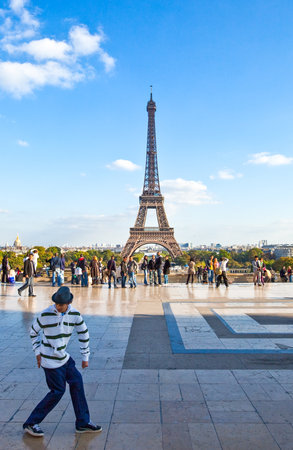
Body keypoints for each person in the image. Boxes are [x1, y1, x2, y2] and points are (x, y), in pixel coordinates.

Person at [22, 286, 102, 437]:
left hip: (63, 358)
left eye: (61, 304)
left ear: (68, 303)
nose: (58, 306)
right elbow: (33, 332)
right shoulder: (45, 315)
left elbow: (84, 334)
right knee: (58, 391)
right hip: (49, 360)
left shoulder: (75, 315)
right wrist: (37, 352)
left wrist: (85, 357)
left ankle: (83, 422)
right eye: (56, 304)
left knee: (77, 382)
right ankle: (31, 422)